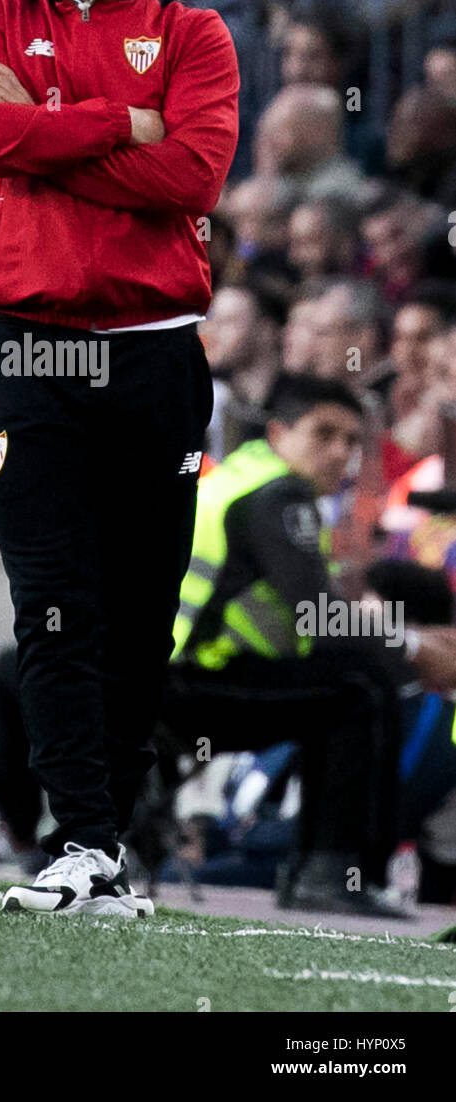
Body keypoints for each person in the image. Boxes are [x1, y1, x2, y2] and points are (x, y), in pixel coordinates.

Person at [0, 0, 238, 917]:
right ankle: (82, 839)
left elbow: (191, 172)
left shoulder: (194, 33)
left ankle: (103, 846)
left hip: (156, 355)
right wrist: (117, 124)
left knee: (139, 613)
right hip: (23, 352)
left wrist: (45, 125)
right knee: (55, 604)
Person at [161, 372, 441, 916]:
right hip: (190, 685)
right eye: (324, 435)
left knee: (345, 681)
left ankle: (323, 870)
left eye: (353, 441)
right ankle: (335, 874)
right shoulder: (278, 496)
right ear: (278, 432)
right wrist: (414, 649)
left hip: (168, 675)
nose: (341, 453)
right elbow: (320, 617)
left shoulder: (240, 475)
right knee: (358, 689)